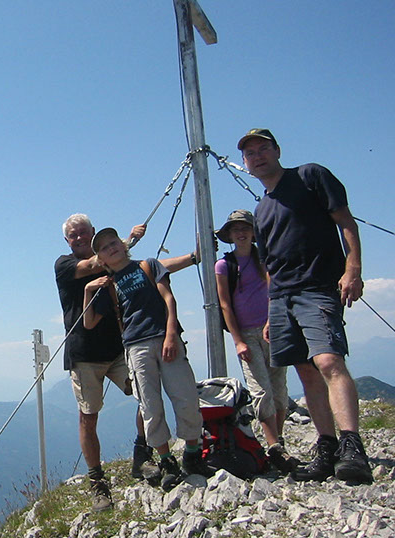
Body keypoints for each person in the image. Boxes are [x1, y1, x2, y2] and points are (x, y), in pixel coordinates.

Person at [238, 128, 373, 484]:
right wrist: (271, 311)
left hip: (318, 287)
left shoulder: (310, 176)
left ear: (277, 150)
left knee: (328, 361)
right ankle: (327, 446)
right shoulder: (261, 211)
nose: (257, 156)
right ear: (245, 164)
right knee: (306, 372)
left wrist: (353, 269)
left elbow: (346, 222)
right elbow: (269, 266)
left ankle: (352, 447)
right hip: (282, 298)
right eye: (250, 154)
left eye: (263, 149)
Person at [55, 214, 199, 510]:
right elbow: (94, 265)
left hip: (122, 346)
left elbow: (151, 269)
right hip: (84, 353)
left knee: (145, 398)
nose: (79, 238)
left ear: (92, 232)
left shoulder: (118, 267)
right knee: (89, 415)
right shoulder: (65, 265)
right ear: (66, 241)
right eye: (73, 235)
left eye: (84, 232)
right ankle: (97, 482)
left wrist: (193, 257)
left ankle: (142, 455)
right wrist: (129, 241)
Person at [83, 227, 213, 492]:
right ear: (101, 259)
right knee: (150, 407)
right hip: (135, 347)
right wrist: (88, 290)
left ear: (123, 244)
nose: (111, 248)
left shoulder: (148, 266)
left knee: (186, 398)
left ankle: (192, 455)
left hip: (166, 338)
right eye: (104, 248)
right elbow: (88, 322)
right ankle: (167, 462)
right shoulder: (109, 286)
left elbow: (168, 299)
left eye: (114, 242)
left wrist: (171, 334)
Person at [214, 209, 299, 473]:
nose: (240, 233)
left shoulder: (264, 258)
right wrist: (238, 340)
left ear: (253, 232)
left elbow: (275, 289)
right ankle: (274, 446)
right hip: (247, 334)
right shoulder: (223, 266)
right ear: (229, 235)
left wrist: (275, 321)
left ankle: (278, 442)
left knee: (279, 389)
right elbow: (225, 305)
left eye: (245, 228)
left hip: (273, 329)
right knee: (261, 391)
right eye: (235, 229)